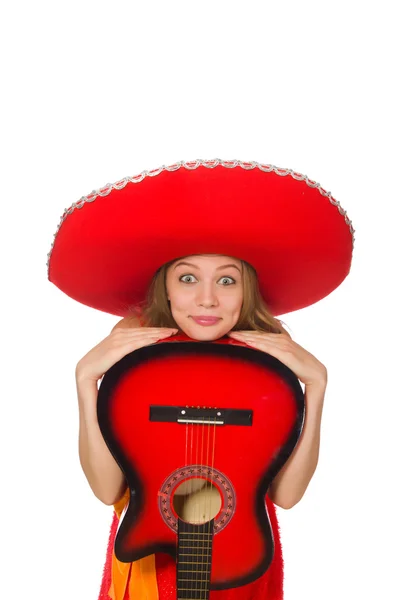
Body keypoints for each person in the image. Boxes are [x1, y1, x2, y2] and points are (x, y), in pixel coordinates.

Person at [47, 158, 354, 600]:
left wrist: (317, 387)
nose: (207, 298)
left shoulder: (266, 359)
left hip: (241, 555)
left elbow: (285, 497)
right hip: (151, 562)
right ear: (165, 287)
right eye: (188, 277)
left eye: (227, 280)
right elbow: (106, 490)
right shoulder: (134, 356)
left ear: (247, 289)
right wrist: (85, 381)